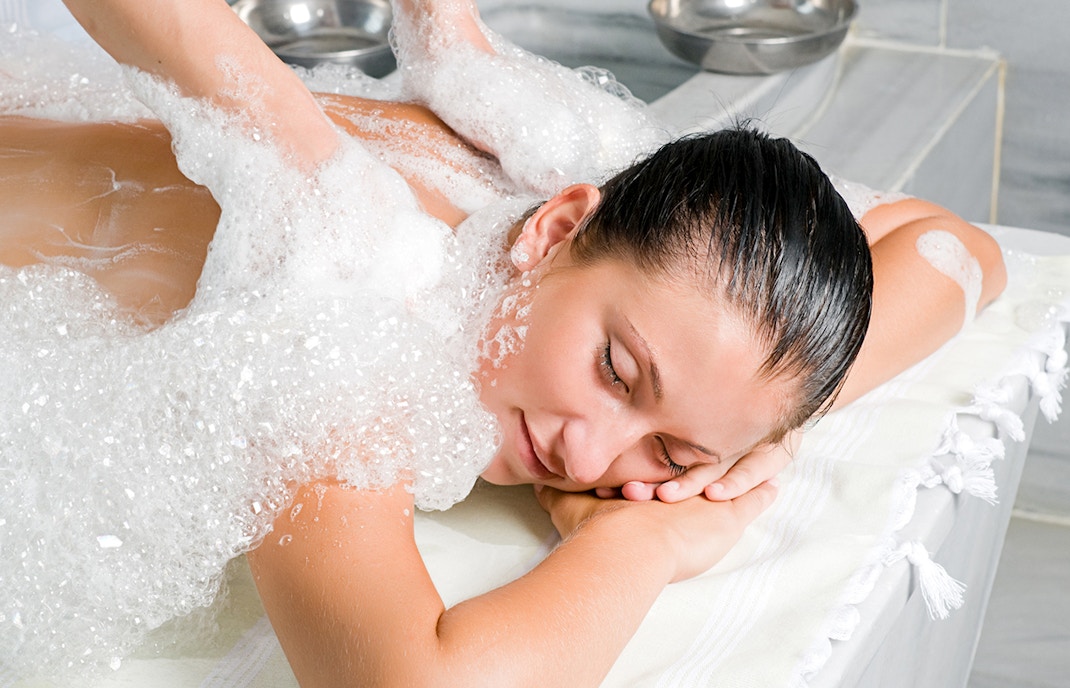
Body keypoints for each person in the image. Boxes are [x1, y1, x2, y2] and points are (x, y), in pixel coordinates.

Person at [0, 0, 1005, 685]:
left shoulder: (583, 193)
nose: (588, 454)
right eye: (616, 371)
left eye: (668, 453)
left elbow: (954, 248)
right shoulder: (341, 292)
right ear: (554, 227)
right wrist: (644, 537)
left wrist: (761, 426)